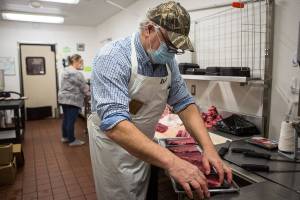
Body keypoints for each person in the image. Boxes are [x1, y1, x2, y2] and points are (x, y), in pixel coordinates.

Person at [88, 1, 232, 199]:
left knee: (141, 191)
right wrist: (173, 163)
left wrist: (209, 149)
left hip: (145, 144)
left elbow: (184, 103)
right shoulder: (113, 57)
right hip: (113, 147)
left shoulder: (167, 61)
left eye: (176, 49)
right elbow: (115, 124)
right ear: (149, 29)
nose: (172, 53)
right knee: (119, 194)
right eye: (170, 45)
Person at [58, 54, 89, 146]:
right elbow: (83, 87)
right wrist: (90, 94)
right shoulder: (77, 73)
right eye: (80, 62)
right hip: (73, 100)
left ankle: (65, 137)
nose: (81, 64)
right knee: (71, 120)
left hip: (63, 98)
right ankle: (72, 140)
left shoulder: (64, 71)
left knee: (66, 119)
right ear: (75, 61)